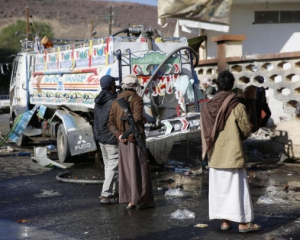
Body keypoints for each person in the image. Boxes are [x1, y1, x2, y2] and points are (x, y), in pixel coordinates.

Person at [200, 70, 261, 233]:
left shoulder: (206, 108)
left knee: (220, 189)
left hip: (214, 155)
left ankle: (225, 222)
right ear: (232, 85)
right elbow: (246, 131)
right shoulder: (237, 105)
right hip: (233, 154)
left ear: (218, 85)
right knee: (237, 189)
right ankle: (243, 224)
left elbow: (205, 133)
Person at [108, 74, 154, 210]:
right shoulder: (137, 99)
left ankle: (130, 200)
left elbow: (110, 122)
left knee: (127, 171)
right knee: (140, 170)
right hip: (135, 140)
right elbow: (137, 118)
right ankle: (141, 200)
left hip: (123, 141)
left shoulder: (116, 101)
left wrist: (119, 135)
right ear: (134, 86)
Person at [94, 75, 119, 204]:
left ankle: (113, 193)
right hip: (110, 138)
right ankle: (106, 194)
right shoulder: (113, 101)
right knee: (113, 166)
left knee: (109, 166)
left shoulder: (98, 100)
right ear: (111, 86)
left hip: (101, 137)